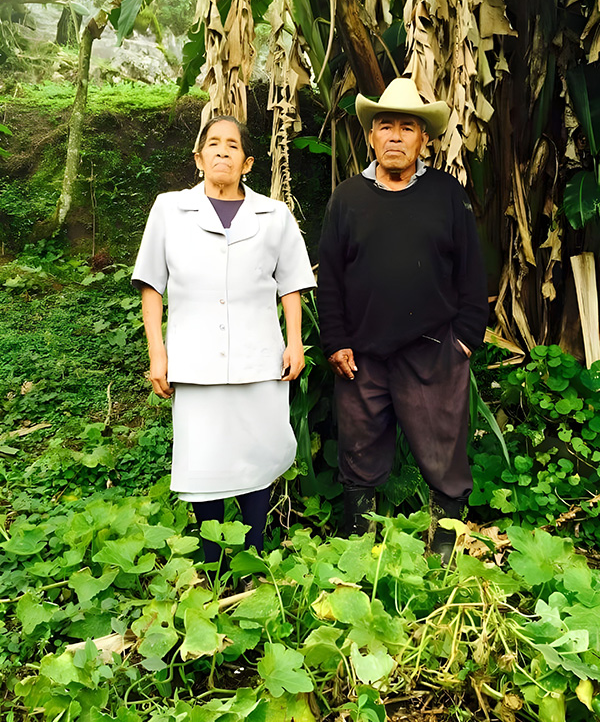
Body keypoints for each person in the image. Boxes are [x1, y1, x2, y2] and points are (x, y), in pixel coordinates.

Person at [132, 115, 316, 566]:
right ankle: (211, 557)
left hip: (260, 360)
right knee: (205, 460)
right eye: (212, 144)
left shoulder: (274, 215)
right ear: (199, 158)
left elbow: (291, 284)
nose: (222, 152)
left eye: (232, 145)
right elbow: (152, 285)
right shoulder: (169, 210)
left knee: (259, 453)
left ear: (247, 162)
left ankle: (251, 553)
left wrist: (294, 342)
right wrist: (158, 352)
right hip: (195, 363)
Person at [317, 78, 488, 560]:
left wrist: (466, 340)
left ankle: (442, 562)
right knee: (359, 458)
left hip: (434, 352)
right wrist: (335, 340)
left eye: (406, 127)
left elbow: (473, 273)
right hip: (360, 356)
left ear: (423, 139)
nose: (395, 136)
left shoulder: (446, 195)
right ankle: (358, 559)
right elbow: (329, 277)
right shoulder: (347, 198)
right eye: (385, 126)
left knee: (444, 460)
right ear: (372, 137)